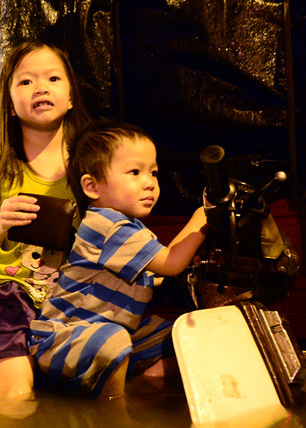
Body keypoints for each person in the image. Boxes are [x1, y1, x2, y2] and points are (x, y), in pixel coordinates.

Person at [28, 120, 209, 399]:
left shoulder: (130, 227)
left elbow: (151, 275)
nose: (149, 182)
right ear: (92, 186)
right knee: (113, 340)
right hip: (64, 338)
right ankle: (114, 412)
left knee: (178, 337)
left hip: (112, 330)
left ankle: (138, 386)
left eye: (154, 173)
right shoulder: (110, 226)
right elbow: (171, 262)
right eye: (135, 172)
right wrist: (203, 216)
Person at [0, 41, 90, 403]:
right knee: (14, 393)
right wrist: (0, 226)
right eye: (25, 82)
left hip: (74, 295)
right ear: (9, 103)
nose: (40, 87)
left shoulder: (91, 164)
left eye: (53, 78)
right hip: (6, 293)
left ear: (70, 96)